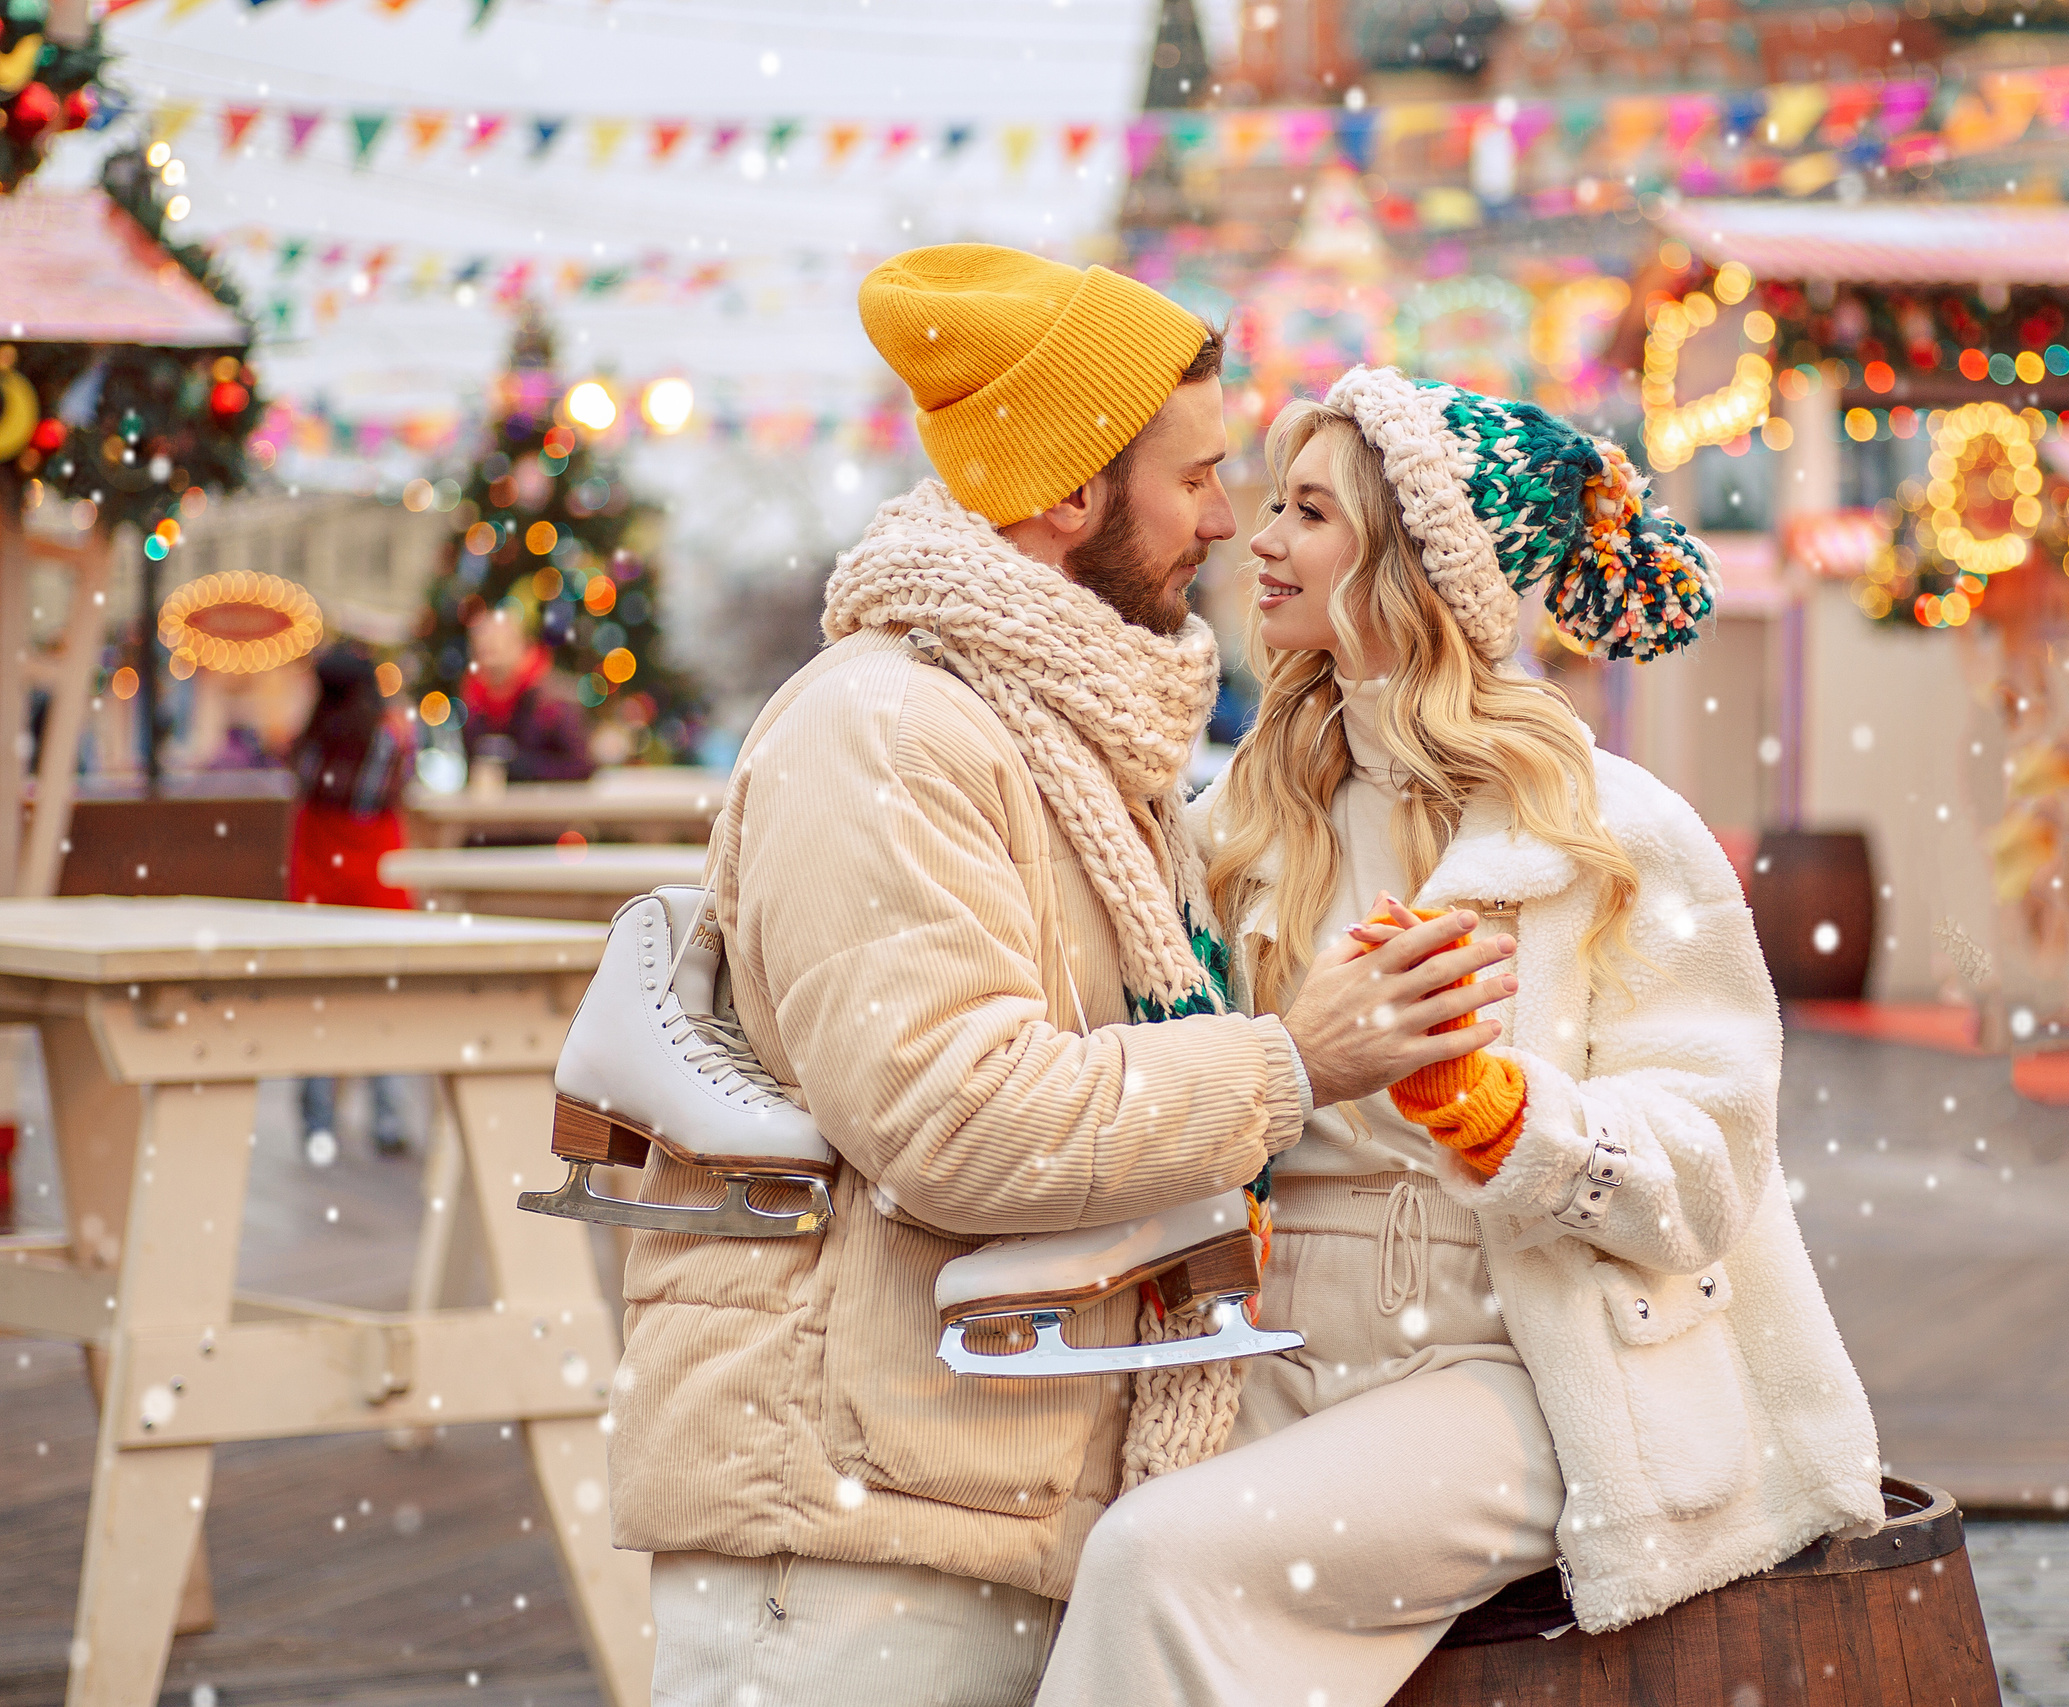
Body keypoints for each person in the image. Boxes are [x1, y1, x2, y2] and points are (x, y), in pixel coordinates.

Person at [609, 247, 1508, 1706]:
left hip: (974, 1497)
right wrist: (1290, 1062)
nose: (1226, 523)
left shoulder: (1074, 737)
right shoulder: (893, 730)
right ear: (1067, 493)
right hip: (855, 1546)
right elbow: (955, 1116)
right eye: (1198, 479)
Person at [1032, 369, 1887, 1707]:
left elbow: (1709, 1166)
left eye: (1308, 511)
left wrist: (1497, 1106)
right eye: (1268, 502)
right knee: (1055, 1552)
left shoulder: (1609, 831)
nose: (1258, 539)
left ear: (1418, 563)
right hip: (1258, 1349)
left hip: (1513, 1366)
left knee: (1157, 1560)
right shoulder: (1240, 825)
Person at [287, 641, 418, 1162]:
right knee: (381, 1001)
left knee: (320, 1001)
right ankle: (387, 1115)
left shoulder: (311, 743)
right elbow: (387, 797)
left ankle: (318, 1119)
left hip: (320, 885)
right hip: (375, 884)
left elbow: (308, 792)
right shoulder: (387, 742)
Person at [461, 597, 595, 782]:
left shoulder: (552, 700)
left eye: (498, 645)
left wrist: (525, 768)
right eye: (483, 648)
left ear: (520, 645)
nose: (490, 656)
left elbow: (582, 766)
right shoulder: (475, 704)